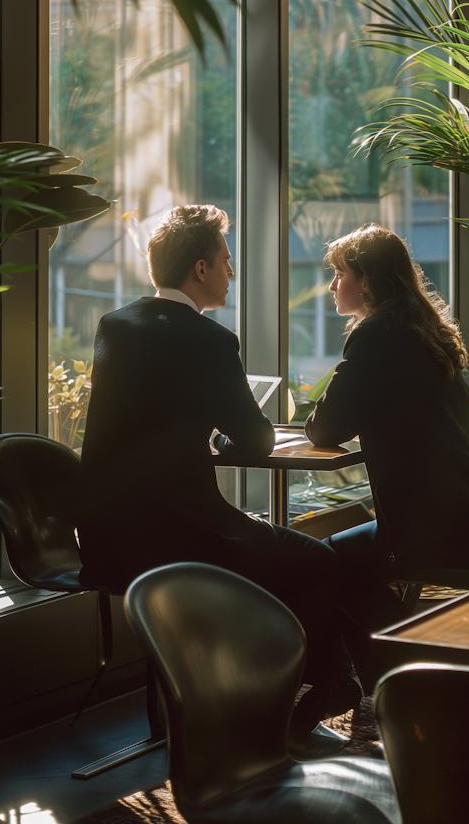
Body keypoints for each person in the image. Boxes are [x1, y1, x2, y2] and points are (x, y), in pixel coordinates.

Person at [79, 204, 360, 752]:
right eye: (226, 261)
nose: (232, 272)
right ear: (201, 269)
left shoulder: (116, 325)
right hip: (181, 536)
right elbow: (255, 440)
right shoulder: (208, 340)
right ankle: (317, 690)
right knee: (318, 563)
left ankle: (276, 692)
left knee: (273, 550)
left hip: (109, 541)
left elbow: (139, 426)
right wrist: (224, 438)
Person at [306, 223, 469, 633]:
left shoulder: (377, 335)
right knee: (345, 555)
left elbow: (324, 429)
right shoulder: (423, 330)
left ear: (367, 282)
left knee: (328, 561)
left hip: (428, 529)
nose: (332, 286)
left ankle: (396, 664)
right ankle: (402, 657)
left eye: (340, 273)